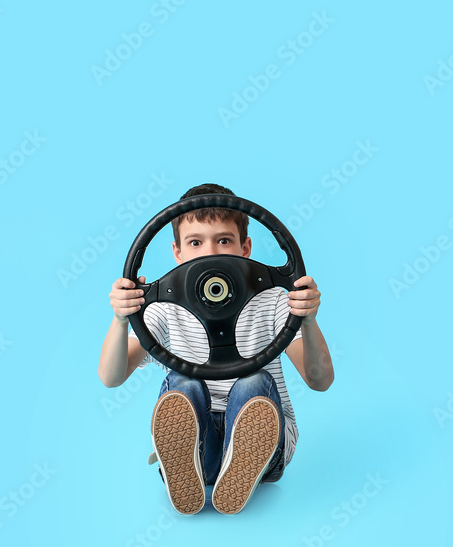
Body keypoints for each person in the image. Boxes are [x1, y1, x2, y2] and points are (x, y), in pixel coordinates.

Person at [97, 183, 335, 515]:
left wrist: (307, 320)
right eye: (196, 242)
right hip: (201, 448)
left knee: (253, 382)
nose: (210, 251)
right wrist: (122, 319)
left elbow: (319, 379)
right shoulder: (163, 309)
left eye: (223, 240)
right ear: (177, 253)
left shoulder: (274, 301)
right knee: (184, 385)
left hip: (268, 448)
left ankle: (243, 463)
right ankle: (191, 466)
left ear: (245, 248)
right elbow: (111, 377)